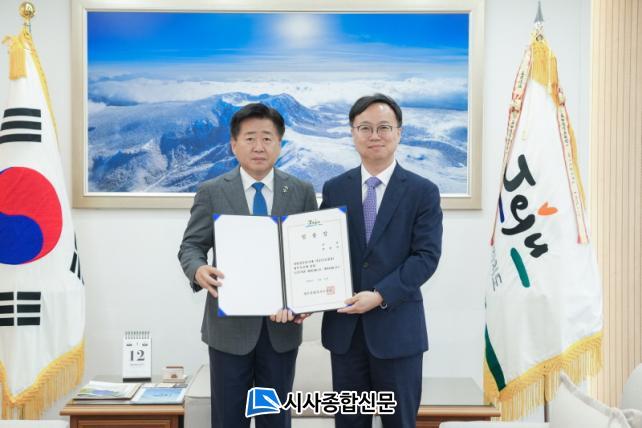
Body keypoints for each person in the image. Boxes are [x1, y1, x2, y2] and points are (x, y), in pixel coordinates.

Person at [178, 102, 318, 428]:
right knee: (229, 420)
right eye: (250, 138)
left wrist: (306, 300)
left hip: (281, 329)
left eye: (267, 138)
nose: (259, 146)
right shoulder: (212, 191)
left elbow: (309, 256)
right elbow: (191, 247)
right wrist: (198, 270)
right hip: (228, 331)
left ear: (280, 144)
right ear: (233, 144)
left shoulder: (301, 191)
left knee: (275, 420)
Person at [320, 94, 443, 428]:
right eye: (365, 128)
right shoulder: (334, 188)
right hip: (345, 334)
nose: (374, 135)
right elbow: (323, 250)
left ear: (399, 132)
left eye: (383, 127)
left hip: (397, 332)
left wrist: (380, 295)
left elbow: (426, 257)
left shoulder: (422, 191)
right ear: (353, 133)